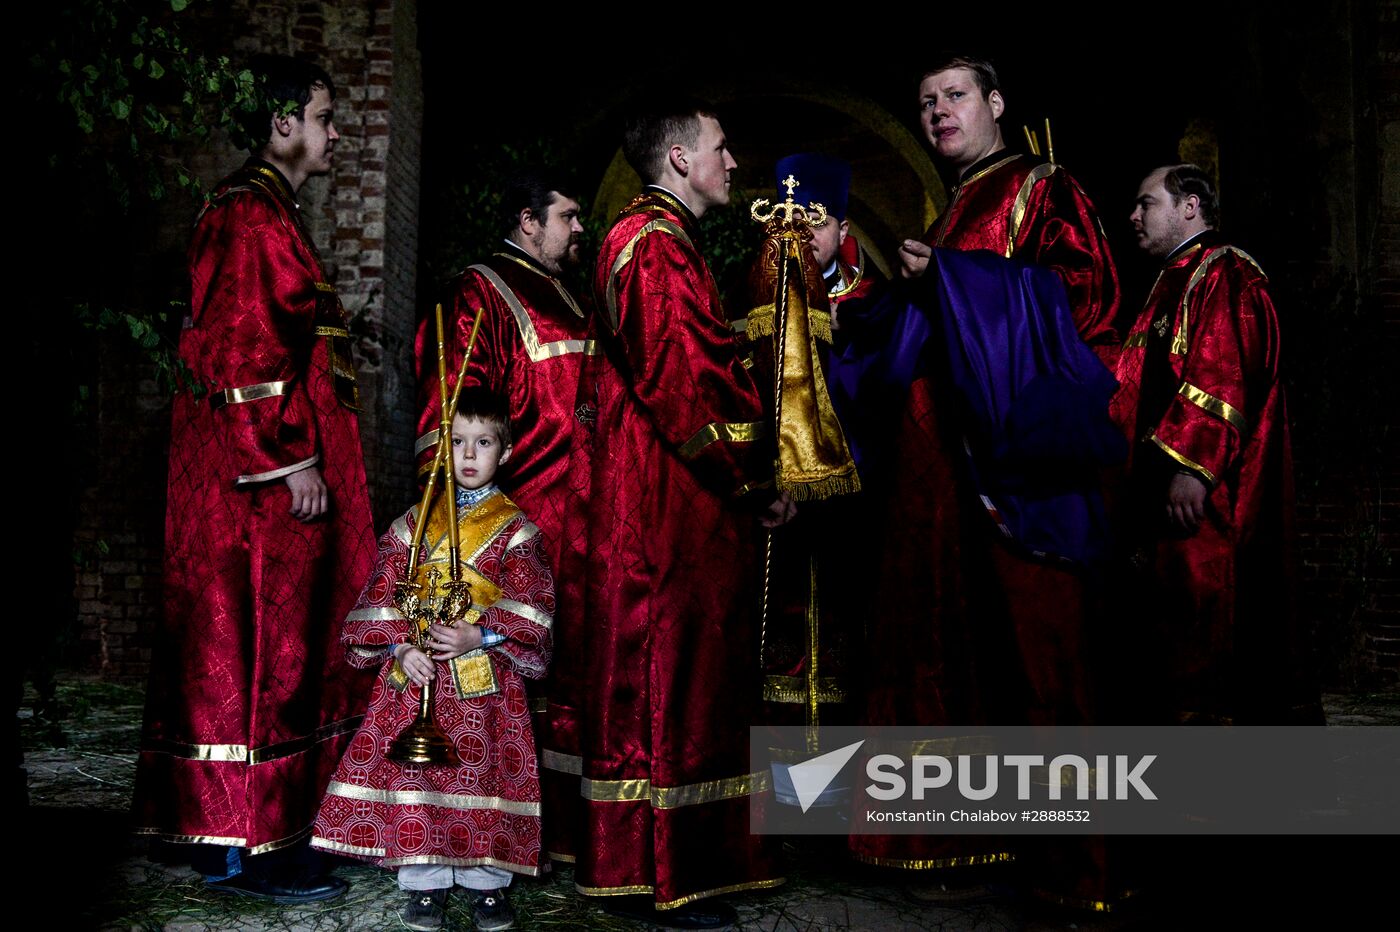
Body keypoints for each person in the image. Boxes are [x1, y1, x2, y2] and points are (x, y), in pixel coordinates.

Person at [851, 54, 1125, 908]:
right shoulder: (959, 203)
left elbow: (1088, 301)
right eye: (925, 101)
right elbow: (917, 336)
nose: (938, 111)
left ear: (997, 103)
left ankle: (1081, 874)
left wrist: (954, 280)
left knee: (1046, 662)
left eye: (955, 95)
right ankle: (978, 848)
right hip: (946, 473)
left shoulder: (1043, 187)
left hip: (1019, 467)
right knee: (968, 657)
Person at [133, 54, 375, 903]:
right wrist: (290, 459)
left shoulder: (269, 211)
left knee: (242, 650)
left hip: (254, 476)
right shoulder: (250, 217)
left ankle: (224, 840)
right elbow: (241, 348)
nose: (335, 132)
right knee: (265, 655)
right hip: (262, 489)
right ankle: (261, 849)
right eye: (323, 116)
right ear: (283, 124)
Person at [557, 98, 787, 928]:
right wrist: (758, 475)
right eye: (722, 148)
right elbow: (691, 384)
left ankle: (687, 860)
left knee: (689, 678)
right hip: (664, 506)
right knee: (669, 680)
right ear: (682, 159)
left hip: (673, 501)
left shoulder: (658, 240)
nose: (734, 163)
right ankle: (666, 873)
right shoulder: (651, 246)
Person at [312, 393, 553, 932]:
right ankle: (424, 884)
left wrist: (482, 633)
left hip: (484, 683)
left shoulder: (518, 532)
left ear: (506, 452)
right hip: (416, 674)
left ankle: (488, 886)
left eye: (483, 443)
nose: (469, 454)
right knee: (419, 780)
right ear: (441, 451)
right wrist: (400, 645)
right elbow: (380, 595)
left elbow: (534, 607)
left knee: (484, 775)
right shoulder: (410, 526)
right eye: (457, 442)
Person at [411, 172, 593, 862]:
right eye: (568, 216)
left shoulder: (572, 297)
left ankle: (573, 835)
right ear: (528, 219)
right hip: (521, 526)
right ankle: (503, 834)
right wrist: (453, 533)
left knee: (575, 673)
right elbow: (452, 417)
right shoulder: (480, 291)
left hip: (590, 515)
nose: (580, 230)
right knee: (516, 672)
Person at [1111, 164, 1320, 725]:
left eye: (1145, 203)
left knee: (1209, 628)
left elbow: (1224, 371)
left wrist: (1193, 467)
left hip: (1209, 497)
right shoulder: (1171, 278)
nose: (1133, 216)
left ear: (1190, 206)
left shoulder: (1225, 272)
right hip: (1158, 497)